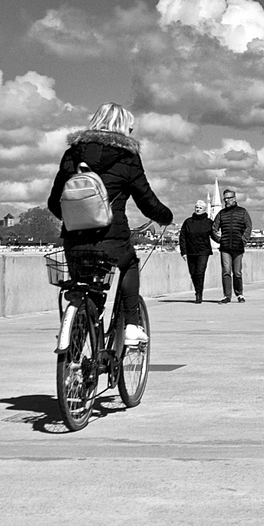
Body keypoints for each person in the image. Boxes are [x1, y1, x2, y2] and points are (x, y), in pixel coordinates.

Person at [47, 102, 174, 345]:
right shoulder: (128, 157)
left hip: (74, 240)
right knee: (129, 265)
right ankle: (132, 325)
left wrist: (78, 217)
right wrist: (165, 216)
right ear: (123, 128)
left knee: (86, 289)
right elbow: (146, 200)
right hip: (112, 239)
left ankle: (74, 357)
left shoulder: (72, 154)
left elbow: (55, 202)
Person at [212, 188, 252, 303]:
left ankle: (239, 294)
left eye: (228, 198)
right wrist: (219, 240)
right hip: (225, 247)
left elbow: (248, 227)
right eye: (224, 199)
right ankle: (227, 295)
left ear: (234, 199)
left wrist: (243, 240)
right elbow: (213, 229)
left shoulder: (242, 212)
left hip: (238, 247)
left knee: (237, 272)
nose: (226, 201)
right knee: (226, 271)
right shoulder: (221, 214)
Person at [178, 199, 214, 303]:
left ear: (204, 210)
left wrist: (222, 241)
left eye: (200, 208)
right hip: (190, 251)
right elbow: (182, 237)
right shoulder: (188, 222)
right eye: (197, 208)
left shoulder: (209, 222)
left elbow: (214, 235)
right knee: (193, 273)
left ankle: (199, 293)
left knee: (200, 272)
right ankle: (197, 290)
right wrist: (183, 252)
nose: (198, 209)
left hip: (203, 251)